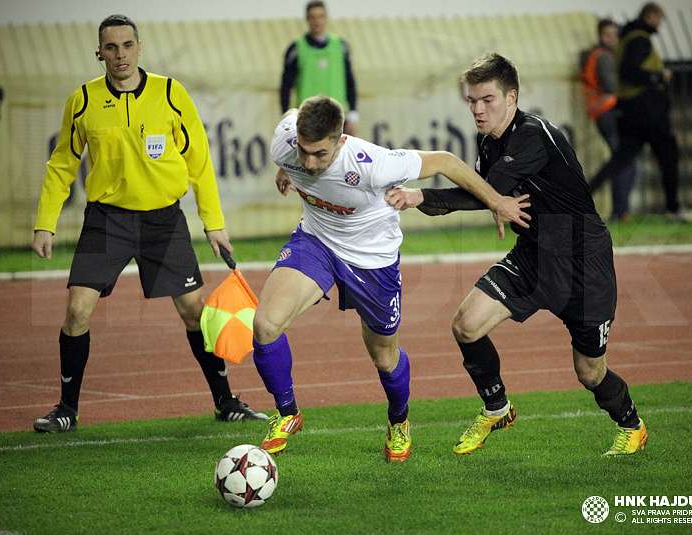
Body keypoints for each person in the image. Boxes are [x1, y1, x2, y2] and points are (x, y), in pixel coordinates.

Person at [385, 53, 648, 456]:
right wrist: (447, 199)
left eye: (486, 99)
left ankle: (632, 426)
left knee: (589, 371)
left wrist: (420, 195)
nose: (476, 109)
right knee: (466, 324)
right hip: (533, 253)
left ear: (512, 97)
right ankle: (497, 408)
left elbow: (481, 193)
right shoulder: (488, 139)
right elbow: (488, 194)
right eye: (471, 100)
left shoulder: (532, 135)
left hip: (582, 258)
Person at [254, 95, 530, 462]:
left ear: (341, 141)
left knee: (384, 357)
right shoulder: (286, 142)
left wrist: (496, 201)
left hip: (373, 261)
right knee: (264, 325)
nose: (308, 161)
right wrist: (292, 167)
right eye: (302, 152)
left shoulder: (373, 164)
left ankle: (399, 419)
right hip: (317, 241)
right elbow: (293, 117)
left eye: (319, 154)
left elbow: (445, 162)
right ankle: (288, 412)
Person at [30, 14, 266, 433]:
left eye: (126, 45)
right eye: (110, 47)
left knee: (194, 311)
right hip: (106, 220)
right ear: (99, 53)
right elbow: (61, 165)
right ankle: (67, 408)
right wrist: (45, 223)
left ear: (139, 48)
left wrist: (213, 222)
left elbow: (200, 162)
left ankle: (225, 401)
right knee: (76, 310)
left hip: (163, 221)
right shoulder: (82, 101)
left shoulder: (171, 94)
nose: (120, 55)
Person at [588, 2, 692, 222]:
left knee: (621, 160)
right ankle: (673, 208)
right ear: (651, 17)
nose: (660, 24)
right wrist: (657, 76)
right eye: (659, 18)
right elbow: (630, 72)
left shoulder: (626, 39)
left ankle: (581, 196)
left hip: (626, 111)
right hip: (646, 111)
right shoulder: (639, 40)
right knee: (668, 153)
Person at [580, 19, 638, 222]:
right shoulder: (603, 57)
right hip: (609, 112)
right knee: (625, 162)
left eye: (615, 34)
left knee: (620, 162)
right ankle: (620, 212)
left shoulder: (605, 56)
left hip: (606, 113)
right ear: (600, 36)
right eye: (608, 34)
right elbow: (611, 86)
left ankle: (586, 199)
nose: (612, 38)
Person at [280, 1, 359, 136]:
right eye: (313, 17)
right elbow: (286, 85)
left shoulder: (340, 46)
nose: (317, 21)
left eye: (321, 16)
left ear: (326, 17)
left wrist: (353, 112)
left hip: (337, 116)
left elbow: (349, 81)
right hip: (308, 117)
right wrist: (286, 116)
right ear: (307, 19)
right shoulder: (297, 49)